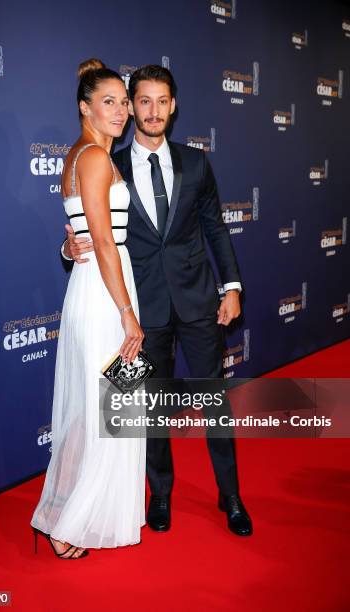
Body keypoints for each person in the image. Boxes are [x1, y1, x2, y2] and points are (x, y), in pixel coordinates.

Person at [62, 64, 253, 537]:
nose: (150, 111)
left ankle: (230, 495)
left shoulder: (196, 163)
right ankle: (160, 494)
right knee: (148, 408)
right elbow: (91, 231)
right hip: (140, 311)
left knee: (214, 401)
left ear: (173, 106)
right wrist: (67, 248)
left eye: (160, 101)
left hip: (197, 301)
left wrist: (231, 286)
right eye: (140, 101)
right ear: (132, 105)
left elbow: (215, 228)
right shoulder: (111, 161)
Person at [31, 59, 146, 559]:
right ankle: (69, 522)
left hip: (95, 286)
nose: (121, 111)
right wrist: (126, 312)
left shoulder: (83, 155)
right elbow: (101, 240)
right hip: (106, 295)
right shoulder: (96, 159)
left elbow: (81, 236)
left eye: (124, 102)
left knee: (92, 409)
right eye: (110, 102)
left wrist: (66, 250)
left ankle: (64, 511)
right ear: (85, 108)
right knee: (106, 408)